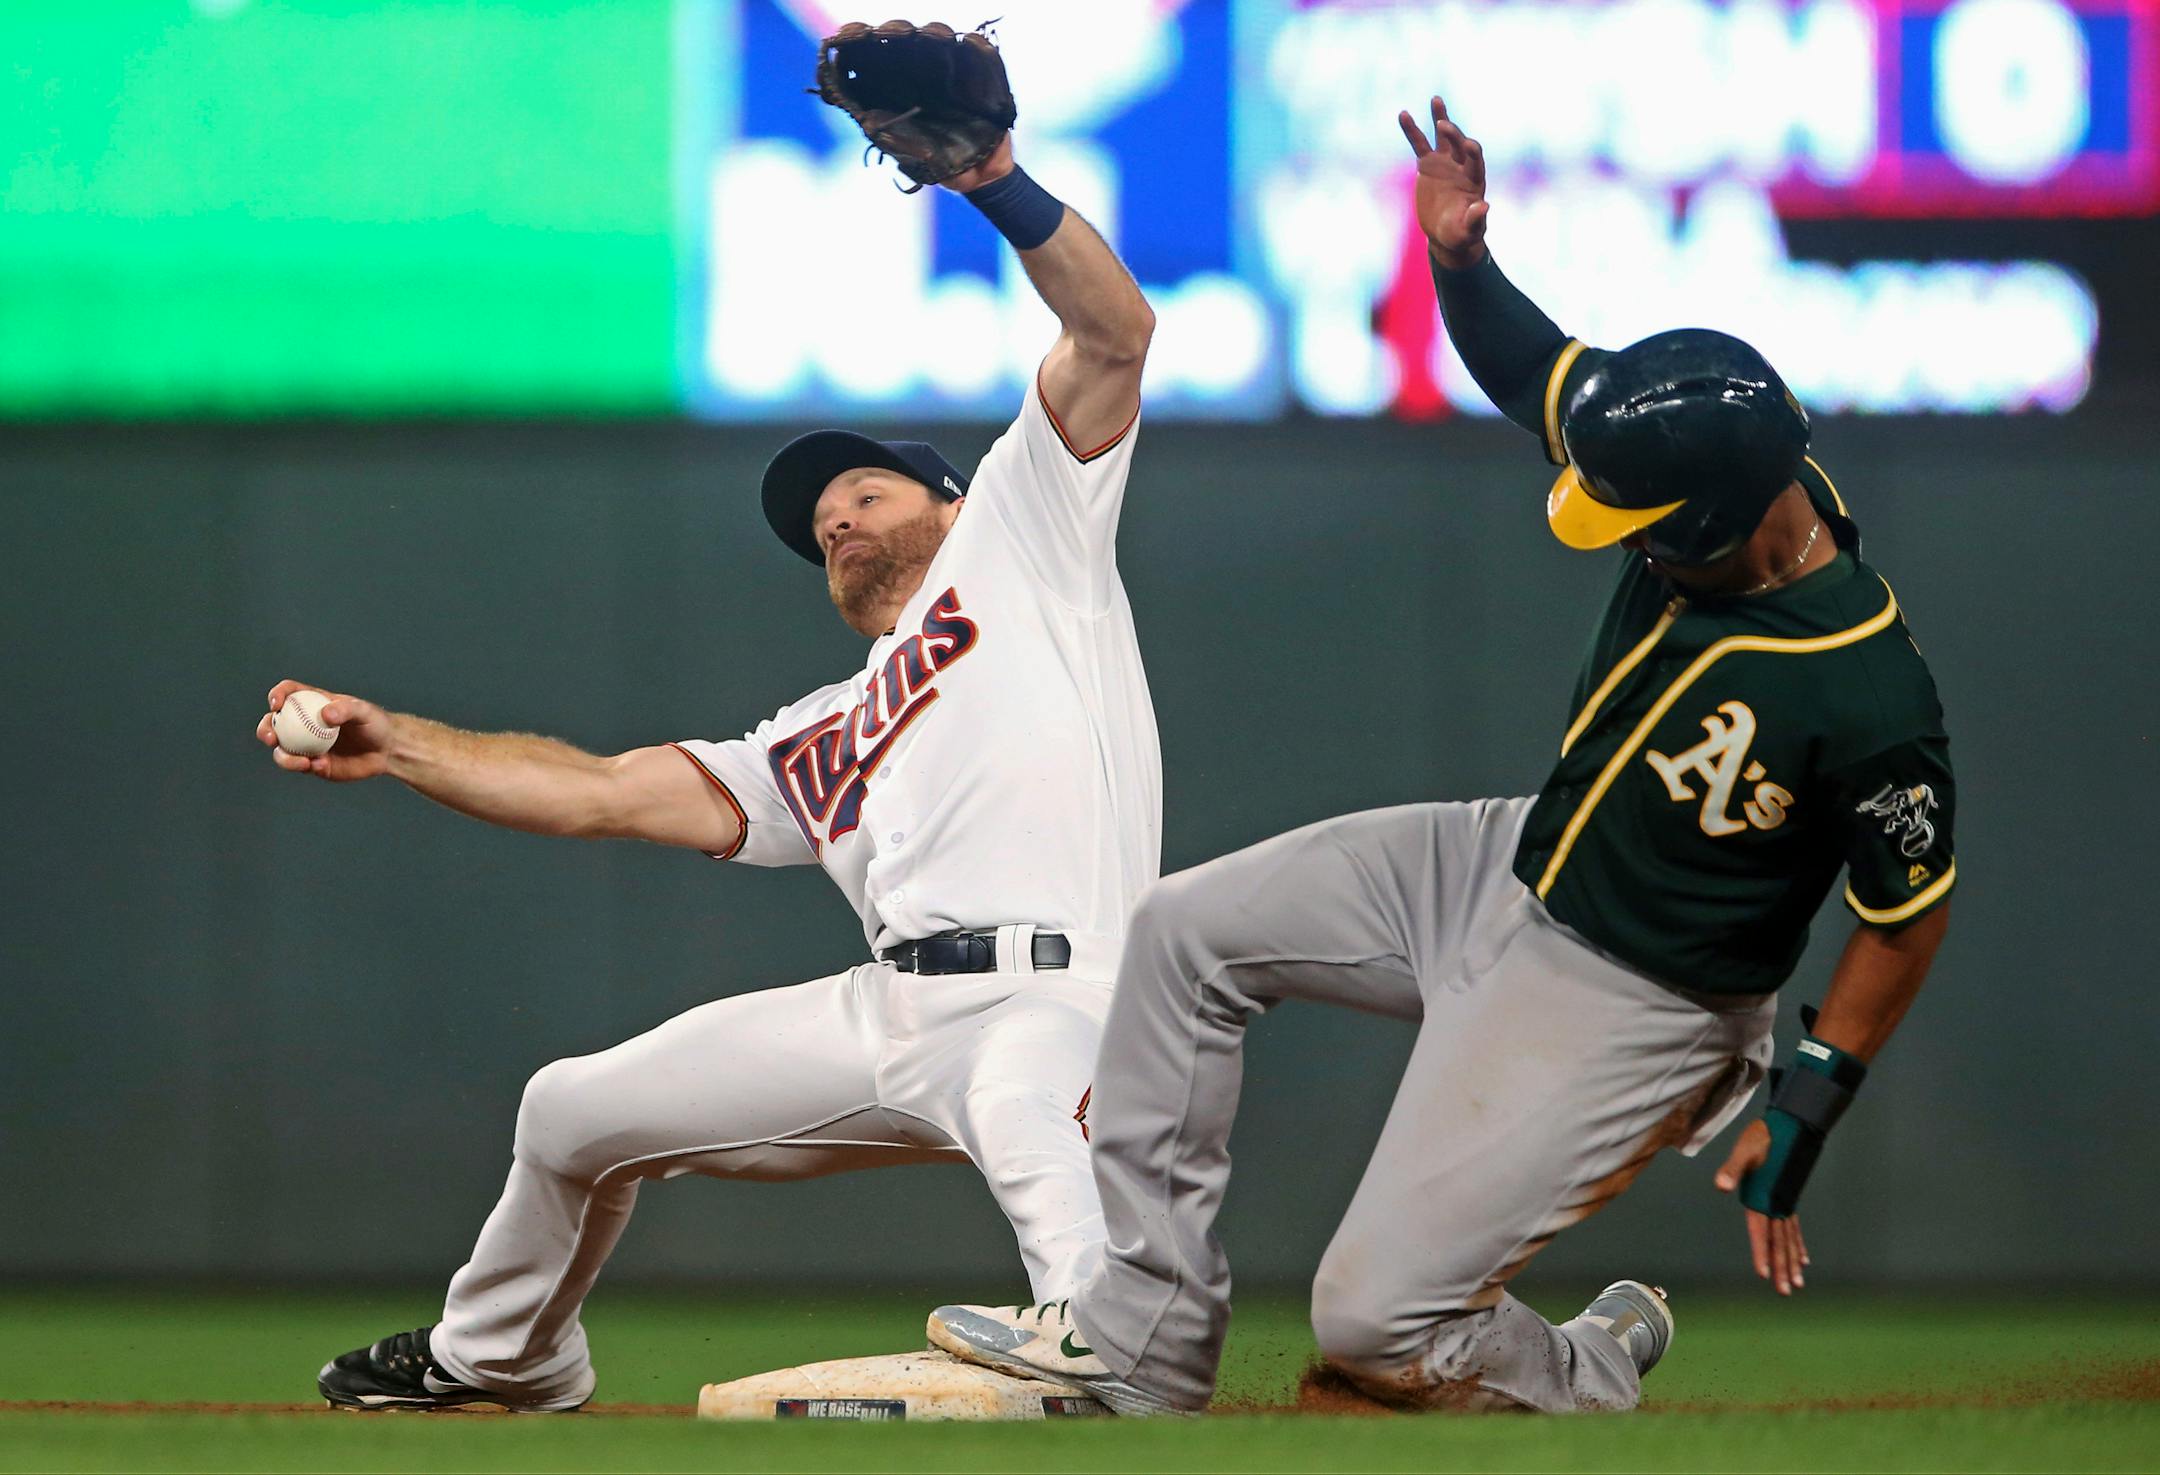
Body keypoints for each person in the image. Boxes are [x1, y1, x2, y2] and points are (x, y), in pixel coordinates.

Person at [924, 95, 1958, 1416]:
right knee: (1183, 937)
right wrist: (1460, 260)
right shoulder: (1689, 441)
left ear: (1727, 510)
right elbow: (1531, 370)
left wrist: (1809, 1099)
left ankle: (1589, 1362)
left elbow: (1908, 911)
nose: (1623, 536)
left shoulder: (1867, 686)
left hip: (1637, 994)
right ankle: (1145, 1341)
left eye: (1648, 523)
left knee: (1371, 1325)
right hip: (1504, 859)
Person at [264, 117, 1160, 1410]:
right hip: (888, 1013)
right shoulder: (825, 727)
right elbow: (602, 791)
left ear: (954, 499)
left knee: (1039, 1134)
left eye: (861, 490)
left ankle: (1110, 1338)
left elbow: (1116, 332)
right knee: (570, 1111)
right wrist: (399, 741)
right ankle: (498, 1357)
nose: (837, 518)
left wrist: (992, 181)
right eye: (819, 522)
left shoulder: (1025, 538)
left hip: (1059, 996)